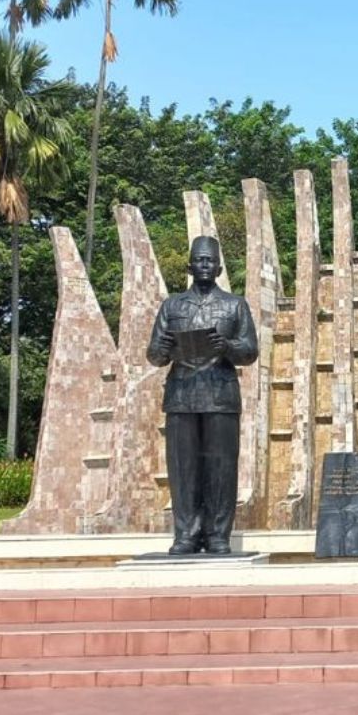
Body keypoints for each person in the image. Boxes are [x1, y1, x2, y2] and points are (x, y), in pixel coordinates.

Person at [146, 236, 258, 555]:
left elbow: (250, 351)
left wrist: (228, 347)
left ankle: (218, 534)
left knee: (221, 468)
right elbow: (154, 355)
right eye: (200, 260)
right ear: (190, 265)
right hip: (181, 396)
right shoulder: (172, 306)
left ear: (219, 267)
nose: (205, 265)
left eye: (210, 261)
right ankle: (186, 534)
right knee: (183, 469)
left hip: (221, 395)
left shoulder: (235, 305)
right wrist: (162, 348)